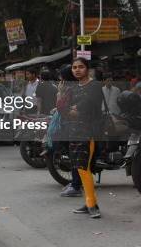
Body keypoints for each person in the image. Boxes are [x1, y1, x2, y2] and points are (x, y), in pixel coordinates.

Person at [67, 58, 103, 218]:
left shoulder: (94, 85)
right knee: (81, 168)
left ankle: (92, 205)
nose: (77, 70)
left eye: (81, 67)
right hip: (74, 131)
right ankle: (90, 202)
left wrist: (76, 109)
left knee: (83, 167)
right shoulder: (73, 88)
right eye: (74, 67)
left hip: (89, 131)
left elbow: (91, 103)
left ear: (87, 69)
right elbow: (67, 107)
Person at [56, 64, 82, 198]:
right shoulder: (76, 87)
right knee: (75, 157)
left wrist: (59, 92)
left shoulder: (71, 89)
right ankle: (75, 183)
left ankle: (76, 185)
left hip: (75, 127)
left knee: (76, 157)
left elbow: (61, 106)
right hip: (74, 126)